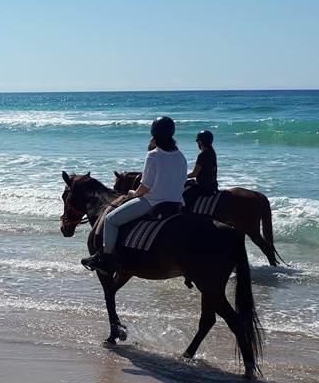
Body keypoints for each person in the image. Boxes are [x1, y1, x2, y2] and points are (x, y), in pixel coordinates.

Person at [81, 116, 187, 273]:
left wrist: (133, 193)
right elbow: (182, 181)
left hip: (153, 202)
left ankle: (106, 258)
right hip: (177, 203)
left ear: (154, 134)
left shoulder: (153, 155)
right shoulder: (180, 155)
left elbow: (145, 186)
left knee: (110, 220)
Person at [182, 129, 219, 209]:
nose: (197, 143)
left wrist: (182, 176)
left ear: (201, 142)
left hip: (203, 187)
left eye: (198, 141)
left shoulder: (202, 155)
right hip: (213, 186)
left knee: (185, 196)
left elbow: (195, 173)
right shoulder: (212, 152)